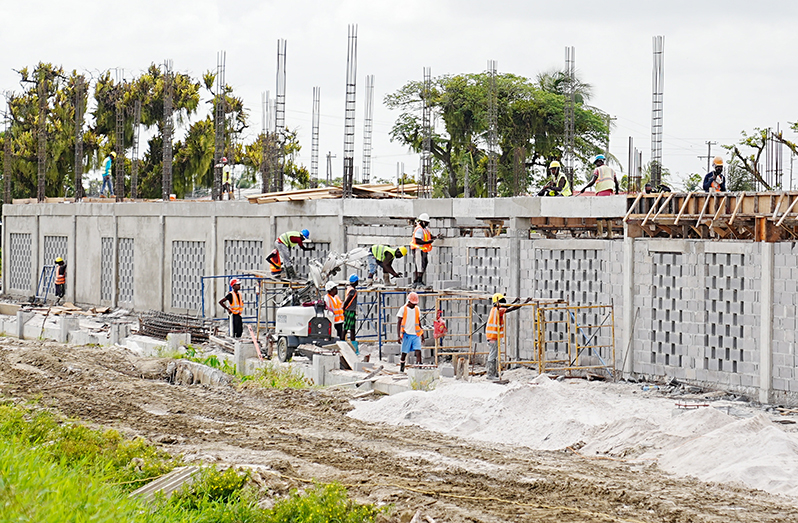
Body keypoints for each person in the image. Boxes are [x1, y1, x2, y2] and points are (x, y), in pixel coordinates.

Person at [485, 293, 527, 379]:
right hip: (493, 337)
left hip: (492, 336)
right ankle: (490, 374)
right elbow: (512, 308)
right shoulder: (497, 310)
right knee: (493, 354)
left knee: (494, 354)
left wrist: (515, 301)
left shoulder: (495, 309)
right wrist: (524, 303)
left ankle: (494, 373)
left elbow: (506, 307)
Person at [410, 213, 440, 289]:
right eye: (426, 222)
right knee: (420, 265)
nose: (427, 224)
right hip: (418, 249)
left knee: (423, 264)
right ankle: (418, 281)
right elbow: (417, 240)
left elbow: (430, 236)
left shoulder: (425, 229)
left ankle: (418, 280)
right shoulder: (419, 229)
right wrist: (428, 242)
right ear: (423, 221)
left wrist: (436, 237)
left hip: (423, 250)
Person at [396, 292, 424, 372]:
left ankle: (419, 369)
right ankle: (401, 369)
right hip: (406, 334)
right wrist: (398, 336)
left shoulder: (417, 309)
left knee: (418, 351)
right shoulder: (403, 309)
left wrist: (422, 335)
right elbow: (398, 323)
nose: (414, 305)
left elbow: (419, 322)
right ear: (409, 301)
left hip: (416, 334)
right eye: (413, 303)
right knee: (404, 353)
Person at [342, 274, 359, 346]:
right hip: (349, 311)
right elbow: (348, 300)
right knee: (350, 329)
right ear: (355, 282)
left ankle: (342, 342)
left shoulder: (349, 288)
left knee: (347, 328)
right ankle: (353, 345)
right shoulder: (352, 291)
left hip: (349, 310)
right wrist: (344, 308)